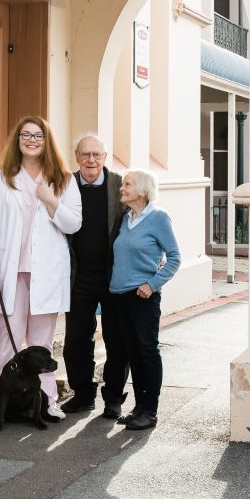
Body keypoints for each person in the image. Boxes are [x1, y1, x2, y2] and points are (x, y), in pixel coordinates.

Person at [0, 115, 82, 426]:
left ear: (46, 140)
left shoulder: (64, 180)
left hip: (46, 274)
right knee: (3, 340)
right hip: (10, 272)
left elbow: (73, 224)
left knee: (43, 343)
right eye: (26, 134)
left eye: (38, 135)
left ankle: (48, 401)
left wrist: (51, 200)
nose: (32, 140)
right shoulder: (1, 179)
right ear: (18, 140)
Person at [61, 133, 129, 419]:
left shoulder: (118, 185)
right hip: (78, 276)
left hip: (113, 275)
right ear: (76, 157)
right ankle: (83, 393)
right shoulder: (66, 185)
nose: (91, 160)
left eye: (96, 155)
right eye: (85, 155)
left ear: (104, 157)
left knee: (117, 338)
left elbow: (136, 218)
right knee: (77, 338)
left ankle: (113, 397)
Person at [109, 168, 181, 430]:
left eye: (127, 184)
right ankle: (139, 407)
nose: (121, 188)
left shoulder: (158, 218)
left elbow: (174, 258)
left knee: (147, 352)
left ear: (142, 190)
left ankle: (150, 411)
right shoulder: (126, 219)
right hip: (119, 296)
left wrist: (152, 285)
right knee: (132, 353)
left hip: (142, 297)